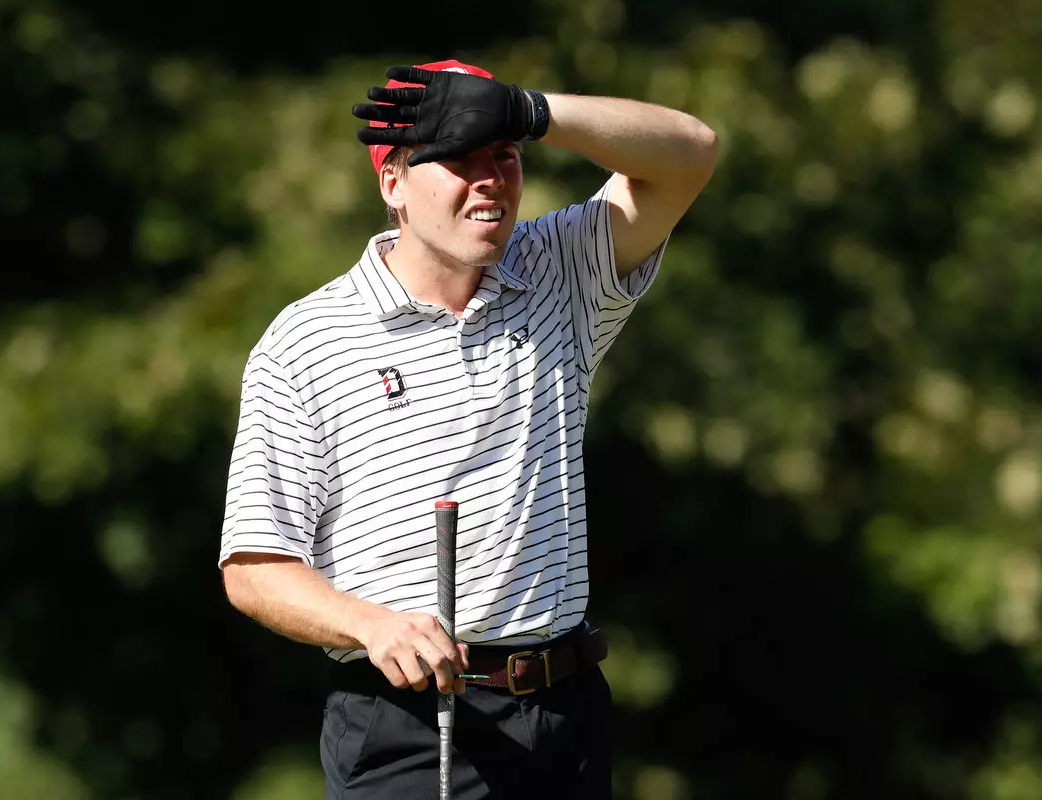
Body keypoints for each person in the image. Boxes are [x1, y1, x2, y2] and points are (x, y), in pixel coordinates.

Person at [217, 57, 717, 799]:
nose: (489, 177)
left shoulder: (559, 271)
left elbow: (691, 152)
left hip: (565, 717)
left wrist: (532, 109)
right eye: (457, 158)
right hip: (408, 729)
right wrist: (370, 625)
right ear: (393, 184)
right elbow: (254, 568)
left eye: (505, 154)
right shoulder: (307, 342)